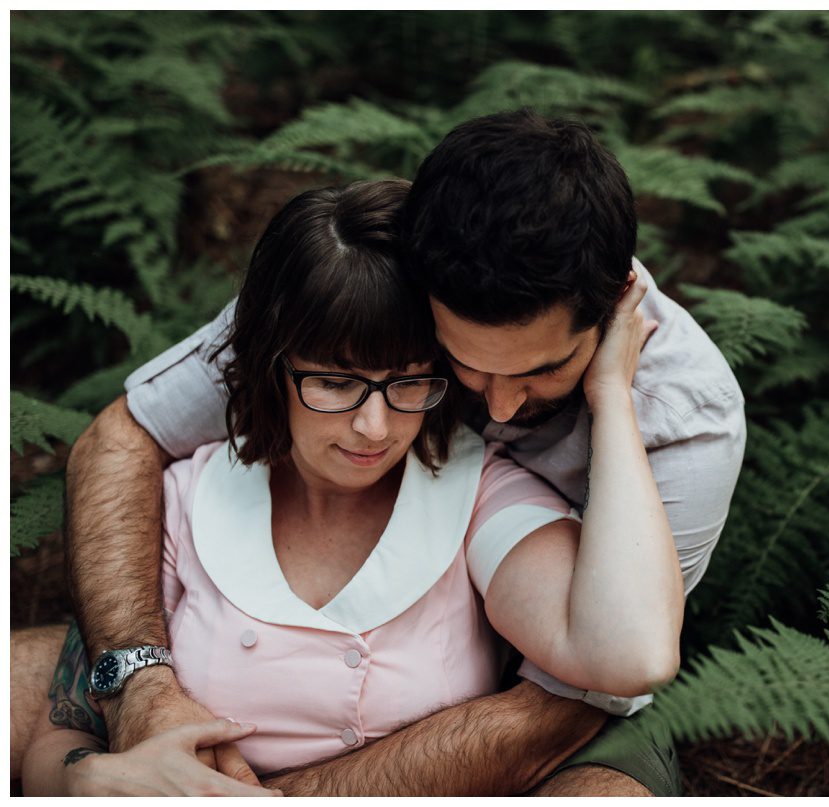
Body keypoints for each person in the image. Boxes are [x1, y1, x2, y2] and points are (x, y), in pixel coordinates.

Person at [11, 109, 745, 796]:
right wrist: (137, 699)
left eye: (541, 370)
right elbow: (125, 435)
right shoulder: (366, 292)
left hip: (542, 693)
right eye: (462, 365)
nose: (495, 408)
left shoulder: (682, 420)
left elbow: (605, 675)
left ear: (617, 302)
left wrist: (608, 397)